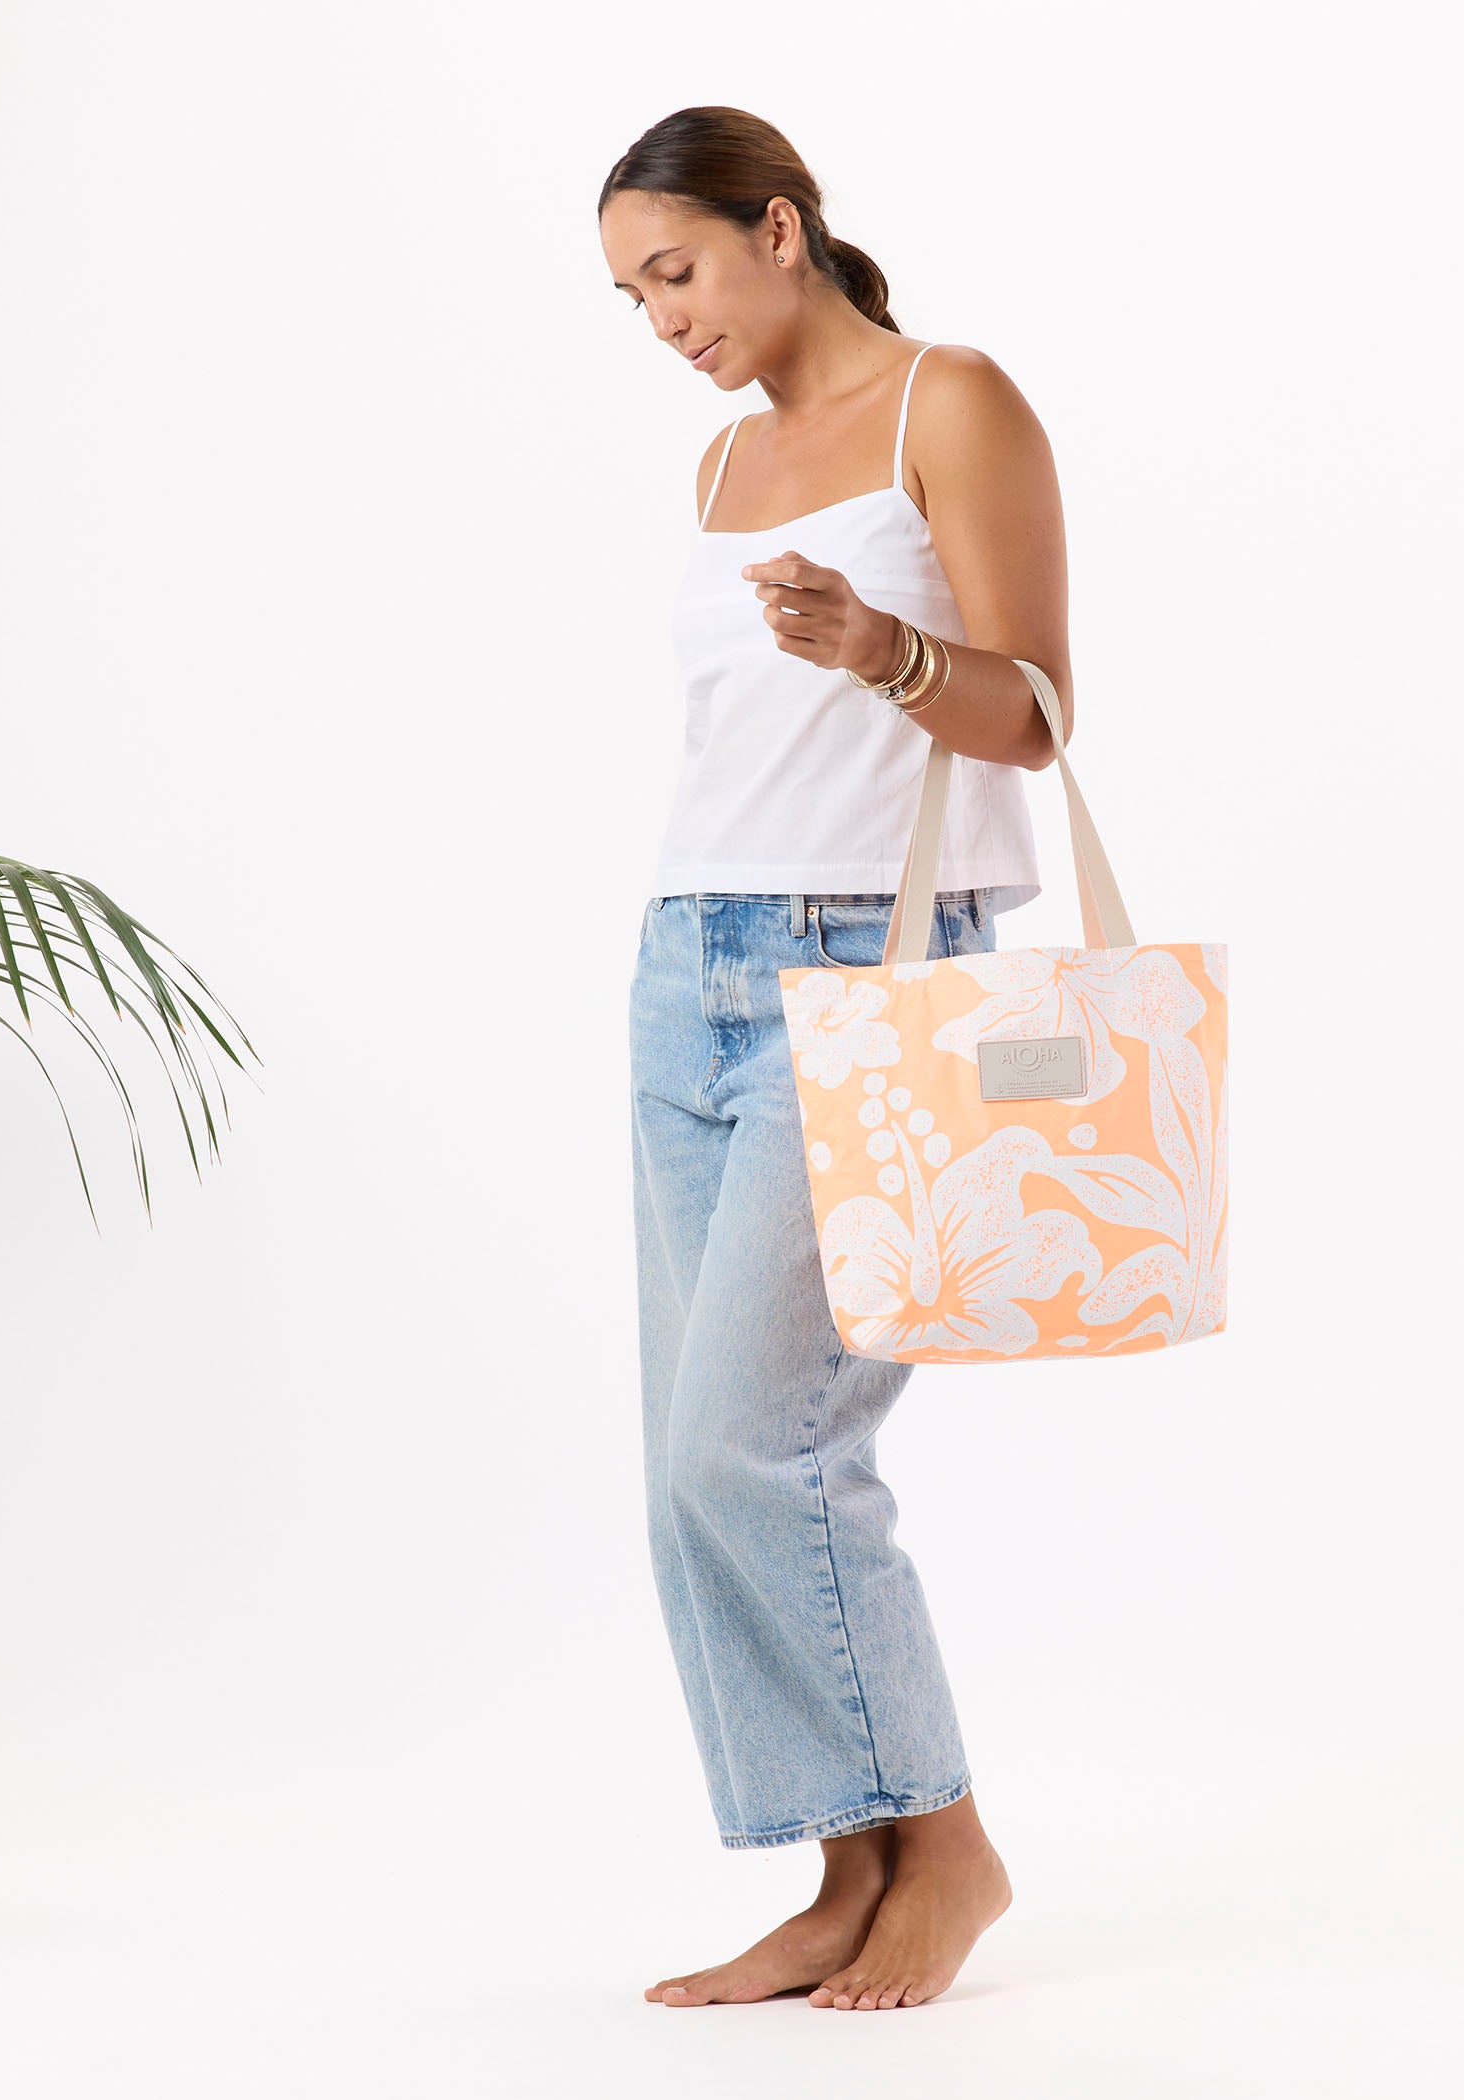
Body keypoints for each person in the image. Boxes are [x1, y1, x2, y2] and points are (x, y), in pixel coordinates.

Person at [602, 105, 1073, 2012]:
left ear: (779, 228)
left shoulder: (950, 402)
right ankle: (847, 1863)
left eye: (679, 271)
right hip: (685, 964)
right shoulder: (721, 463)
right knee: (689, 1470)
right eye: (633, 297)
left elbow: (1039, 715)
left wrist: (884, 648)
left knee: (761, 1440)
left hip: (868, 967)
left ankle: (946, 1848)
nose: (664, 320)